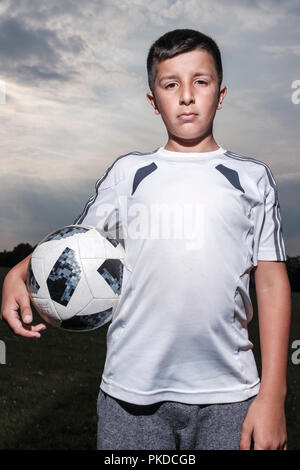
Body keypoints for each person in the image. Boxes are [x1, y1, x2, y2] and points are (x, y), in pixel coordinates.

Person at [1, 29, 291, 451]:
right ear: (154, 101)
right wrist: (19, 271)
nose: (187, 95)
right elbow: (75, 244)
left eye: (201, 81)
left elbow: (271, 282)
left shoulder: (252, 178)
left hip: (231, 394)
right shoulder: (129, 173)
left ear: (221, 94)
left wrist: (274, 395)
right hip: (131, 393)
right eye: (171, 84)